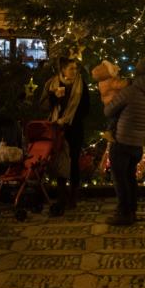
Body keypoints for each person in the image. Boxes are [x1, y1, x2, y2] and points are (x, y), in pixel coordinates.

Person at [103, 58, 145, 226]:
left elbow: (108, 110)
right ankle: (132, 211)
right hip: (137, 143)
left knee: (120, 179)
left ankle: (123, 213)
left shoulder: (131, 91)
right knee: (130, 178)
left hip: (121, 140)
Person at [40, 56, 90, 210]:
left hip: (74, 128)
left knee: (74, 161)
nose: (74, 71)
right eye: (71, 68)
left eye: (76, 68)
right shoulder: (52, 83)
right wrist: (54, 97)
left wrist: (71, 118)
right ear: (63, 70)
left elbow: (86, 108)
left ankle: (73, 196)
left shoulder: (81, 85)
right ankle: (62, 195)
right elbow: (43, 105)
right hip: (56, 128)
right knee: (60, 161)